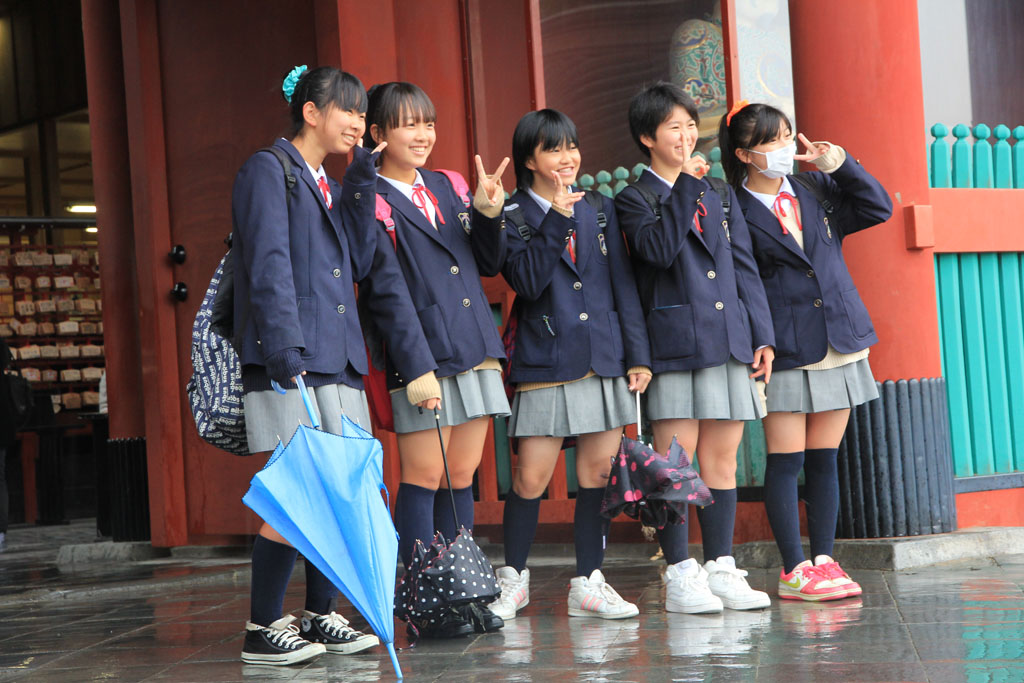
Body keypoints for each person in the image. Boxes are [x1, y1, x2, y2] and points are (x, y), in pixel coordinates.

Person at [232, 66, 436, 665]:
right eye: (345, 110)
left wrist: (363, 182)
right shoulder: (268, 170)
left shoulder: (328, 179)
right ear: (312, 113)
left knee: (345, 487)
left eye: (358, 111)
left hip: (339, 357)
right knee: (300, 491)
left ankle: (321, 614)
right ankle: (262, 625)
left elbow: (362, 258)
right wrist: (280, 345)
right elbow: (266, 260)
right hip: (291, 356)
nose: (355, 121)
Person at [721, 100, 892, 601]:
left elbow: (878, 206)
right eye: (771, 141)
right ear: (745, 154)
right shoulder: (734, 207)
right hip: (786, 346)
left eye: (787, 136)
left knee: (825, 458)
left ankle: (823, 557)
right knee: (786, 461)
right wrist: (759, 337)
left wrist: (837, 163)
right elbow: (741, 282)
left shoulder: (817, 188)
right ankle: (794, 569)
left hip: (839, 337)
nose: (784, 149)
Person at [614, 83, 774, 614]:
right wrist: (684, 185)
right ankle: (681, 571)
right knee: (674, 466)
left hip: (730, 340)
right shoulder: (632, 199)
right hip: (674, 345)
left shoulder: (721, 193)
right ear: (647, 138)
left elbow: (744, 267)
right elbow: (658, 252)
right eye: (672, 129)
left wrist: (762, 334)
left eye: (689, 126)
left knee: (722, 462)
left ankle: (721, 567)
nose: (685, 137)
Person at [490, 109, 651, 622]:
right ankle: (512, 578)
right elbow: (528, 282)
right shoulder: (512, 214)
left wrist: (637, 355)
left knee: (599, 476)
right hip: (545, 360)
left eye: (572, 147)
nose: (568, 158)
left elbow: (622, 285)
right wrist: (556, 216)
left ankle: (589, 580)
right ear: (529, 160)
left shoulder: (599, 208)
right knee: (531, 478)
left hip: (602, 358)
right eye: (555, 149)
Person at [362, 82, 511, 637]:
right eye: (407, 125)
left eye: (428, 123)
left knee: (463, 476)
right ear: (377, 135)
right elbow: (386, 292)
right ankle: (426, 603)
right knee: (425, 476)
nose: (423, 135)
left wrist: (489, 212)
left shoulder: (449, 183)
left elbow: (488, 263)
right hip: (421, 355)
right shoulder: (370, 197)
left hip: (475, 344)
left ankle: (464, 594)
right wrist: (416, 365)